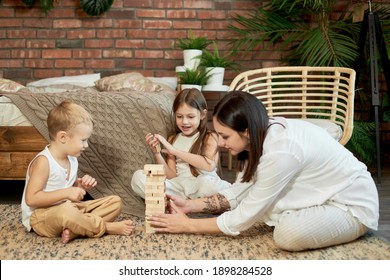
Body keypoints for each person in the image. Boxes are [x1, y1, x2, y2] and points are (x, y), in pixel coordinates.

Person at [148, 91, 379, 252]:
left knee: (285, 234)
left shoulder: (281, 151)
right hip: (325, 196)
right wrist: (190, 206)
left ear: (246, 130)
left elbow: (242, 218)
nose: (219, 143)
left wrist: (188, 225)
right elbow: (239, 192)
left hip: (350, 207)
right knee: (267, 209)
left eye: (225, 136)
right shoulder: (261, 135)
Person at [21, 100, 134, 244]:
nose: (86, 145)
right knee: (67, 212)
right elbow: (31, 199)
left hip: (69, 209)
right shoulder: (44, 161)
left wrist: (80, 187)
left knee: (115, 202)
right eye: (83, 140)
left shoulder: (72, 159)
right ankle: (105, 227)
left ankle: (74, 231)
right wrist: (67, 193)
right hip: (41, 217)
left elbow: (67, 191)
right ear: (63, 137)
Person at [131, 88, 230, 199]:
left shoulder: (210, 137)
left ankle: (182, 202)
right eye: (179, 116)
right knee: (138, 176)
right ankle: (183, 201)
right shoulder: (173, 138)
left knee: (208, 185)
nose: (184, 122)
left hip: (202, 185)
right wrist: (157, 153)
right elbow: (171, 175)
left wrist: (174, 151)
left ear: (202, 115)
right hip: (179, 187)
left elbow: (208, 166)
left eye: (190, 116)